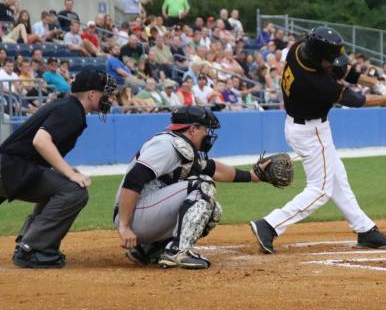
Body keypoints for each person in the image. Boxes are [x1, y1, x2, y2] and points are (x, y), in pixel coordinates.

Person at [249, 26, 386, 254]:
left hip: (302, 126)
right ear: (317, 58)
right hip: (311, 133)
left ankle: (365, 230)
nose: (333, 62)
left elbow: (343, 69)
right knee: (321, 190)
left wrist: (374, 82)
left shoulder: (299, 49)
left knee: (337, 178)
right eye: (329, 59)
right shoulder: (316, 83)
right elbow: (356, 100)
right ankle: (270, 224)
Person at [114, 106, 273, 269]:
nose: (208, 135)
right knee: (202, 186)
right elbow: (133, 180)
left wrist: (252, 176)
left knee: (213, 210)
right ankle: (177, 251)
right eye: (206, 129)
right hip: (132, 215)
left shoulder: (182, 147)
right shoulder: (166, 145)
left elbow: (213, 169)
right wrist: (124, 226)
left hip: (144, 214)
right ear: (193, 129)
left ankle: (148, 251)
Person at [0, 70, 116, 268]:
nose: (109, 98)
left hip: (13, 167)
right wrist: (69, 173)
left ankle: (28, 243)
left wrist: (68, 171)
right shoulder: (71, 110)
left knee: (65, 184)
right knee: (73, 191)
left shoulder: (67, 106)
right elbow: (41, 141)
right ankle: (33, 249)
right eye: (105, 93)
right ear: (91, 94)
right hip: (13, 168)